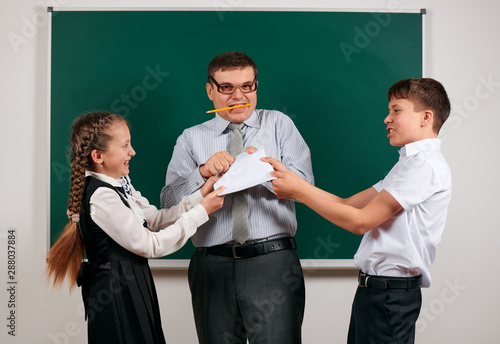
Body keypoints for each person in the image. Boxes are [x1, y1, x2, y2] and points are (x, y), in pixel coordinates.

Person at [263, 78, 452, 344]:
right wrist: (296, 183)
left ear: (426, 117)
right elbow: (349, 204)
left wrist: (298, 192)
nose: (387, 119)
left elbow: (360, 222)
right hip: (376, 291)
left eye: (396, 110)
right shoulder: (409, 164)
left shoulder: (424, 166)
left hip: (390, 294)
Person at [160, 51, 314, 343]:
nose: (238, 96)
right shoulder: (191, 138)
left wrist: (254, 169)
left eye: (247, 86)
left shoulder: (279, 125)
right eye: (226, 87)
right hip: (212, 265)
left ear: (256, 86)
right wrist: (203, 173)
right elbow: (168, 205)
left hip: (273, 262)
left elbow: (306, 187)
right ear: (210, 90)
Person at [46, 112, 225, 344]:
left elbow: (156, 220)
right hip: (116, 295)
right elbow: (151, 245)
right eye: (125, 146)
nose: (132, 152)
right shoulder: (101, 196)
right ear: (98, 155)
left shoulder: (120, 182)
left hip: (133, 284)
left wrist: (201, 196)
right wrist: (202, 212)